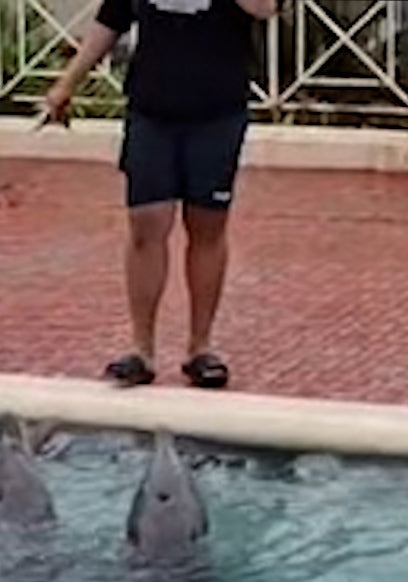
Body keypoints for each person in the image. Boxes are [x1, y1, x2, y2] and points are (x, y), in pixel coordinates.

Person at [42, 0, 278, 390]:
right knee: (146, 222)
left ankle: (200, 348)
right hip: (151, 108)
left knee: (206, 225)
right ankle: (142, 350)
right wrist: (66, 84)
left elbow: (265, 8)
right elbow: (111, 19)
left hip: (216, 110)